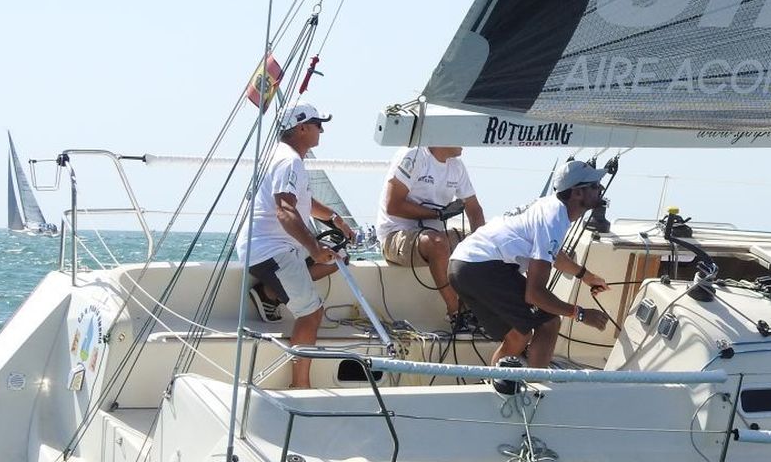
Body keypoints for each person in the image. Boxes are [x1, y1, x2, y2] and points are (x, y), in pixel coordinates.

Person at [449, 160, 611, 371]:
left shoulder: (549, 208)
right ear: (577, 193)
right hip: (482, 265)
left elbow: (551, 253)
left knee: (518, 333)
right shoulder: (555, 218)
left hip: (461, 265)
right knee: (549, 322)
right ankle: (537, 387)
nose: (600, 189)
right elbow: (534, 294)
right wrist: (580, 314)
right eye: (594, 185)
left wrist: (586, 276)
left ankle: (496, 384)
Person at [237, 102, 354, 388]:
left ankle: (268, 293)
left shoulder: (282, 157)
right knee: (311, 313)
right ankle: (300, 385)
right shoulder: (289, 161)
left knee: (339, 259)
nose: (322, 129)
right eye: (318, 124)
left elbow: (304, 203)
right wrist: (314, 248)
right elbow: (285, 210)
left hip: (269, 247)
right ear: (301, 127)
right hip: (270, 250)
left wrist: (336, 219)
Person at [375, 145, 486, 323]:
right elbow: (393, 205)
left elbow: (475, 210)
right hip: (395, 236)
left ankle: (476, 309)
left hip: (433, 235)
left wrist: (484, 245)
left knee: (488, 242)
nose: (465, 142)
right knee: (437, 243)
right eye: (460, 134)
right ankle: (455, 311)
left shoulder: (457, 166)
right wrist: (438, 214)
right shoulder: (414, 155)